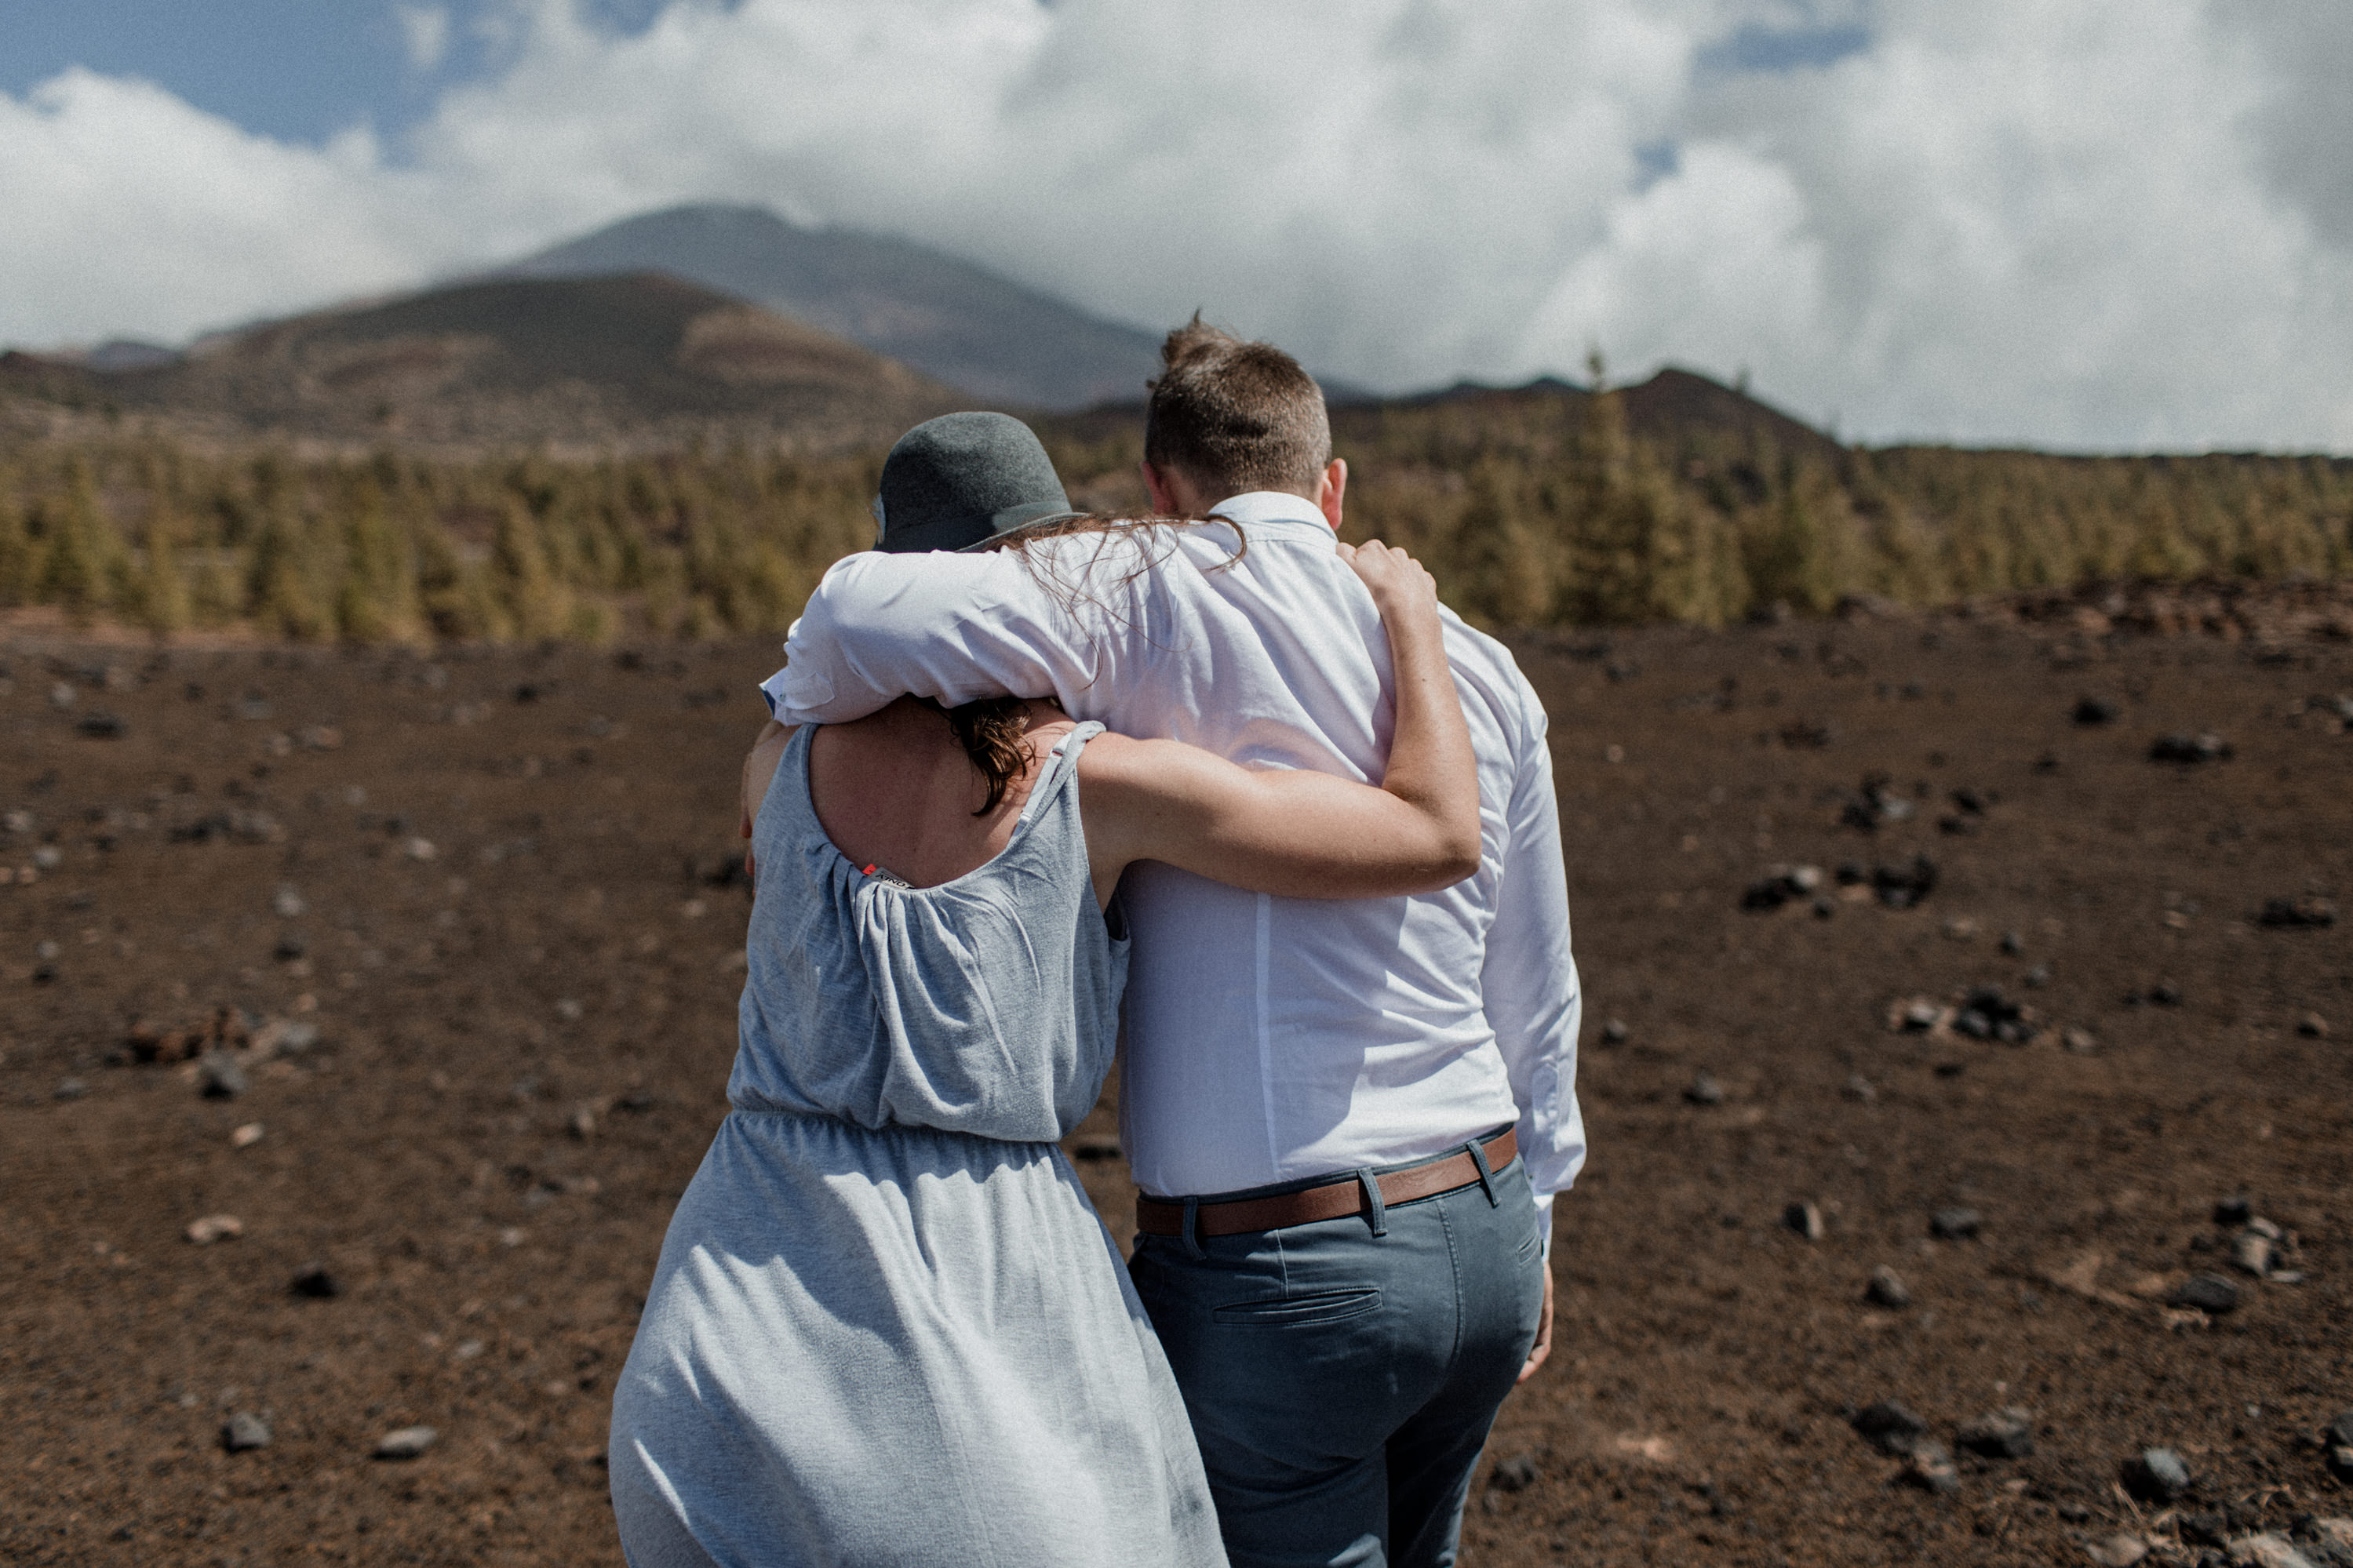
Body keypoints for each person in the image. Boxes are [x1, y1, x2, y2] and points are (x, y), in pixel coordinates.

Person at [762, 326, 1584, 1568]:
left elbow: (849, 610)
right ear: (1333, 482)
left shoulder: (1134, 595)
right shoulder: (1483, 669)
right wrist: (1541, 1221)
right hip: (1485, 1220)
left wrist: (802, 714)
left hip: (1281, 1267)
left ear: (1159, 486)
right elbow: (1538, 981)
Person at [607, 411, 1484, 1568]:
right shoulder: (1098, 783)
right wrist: (1412, 625)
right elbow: (1432, 832)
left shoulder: (777, 762)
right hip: (978, 1277)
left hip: (738, 1271)